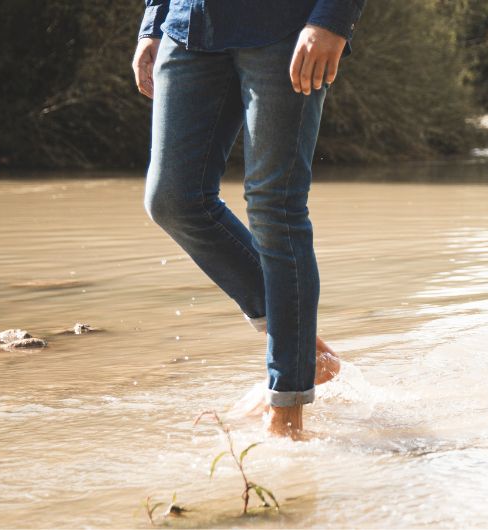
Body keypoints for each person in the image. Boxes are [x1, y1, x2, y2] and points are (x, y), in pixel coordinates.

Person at [131, 0, 365, 439]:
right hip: (189, 26)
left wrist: (333, 19)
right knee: (173, 200)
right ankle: (310, 358)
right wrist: (153, 22)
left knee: (275, 206)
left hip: (285, 28)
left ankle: (287, 414)